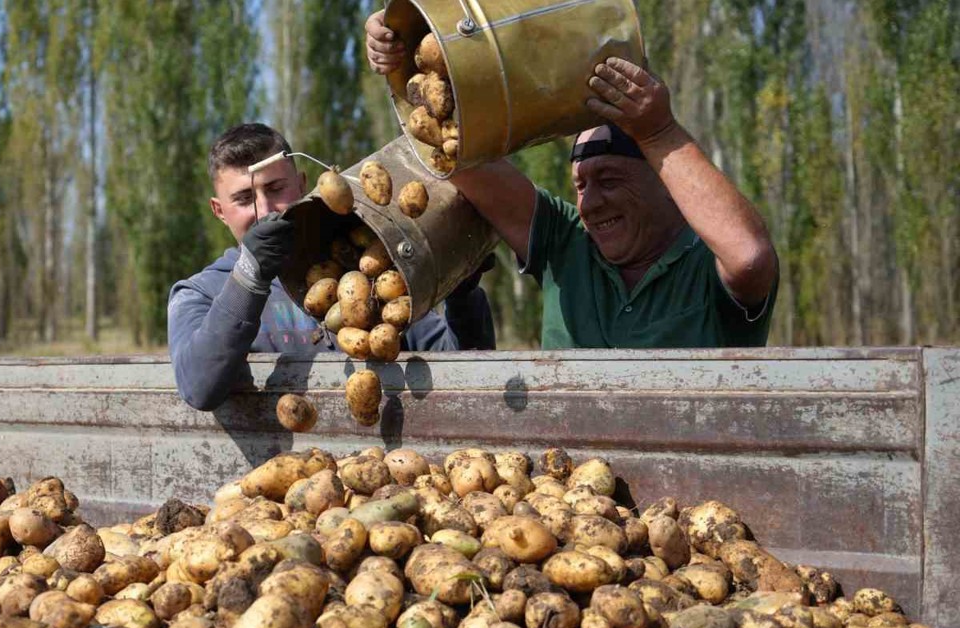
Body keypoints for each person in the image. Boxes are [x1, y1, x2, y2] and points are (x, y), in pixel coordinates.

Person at [365, 12, 779, 348]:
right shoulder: (567, 244)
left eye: (610, 179)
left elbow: (751, 258)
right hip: (569, 456)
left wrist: (658, 133)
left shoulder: (704, 266)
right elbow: (455, 153)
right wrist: (402, 54)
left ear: (666, 180)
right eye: (580, 185)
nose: (591, 202)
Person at [168, 123, 496, 410]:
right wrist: (251, 275)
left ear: (302, 184)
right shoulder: (200, 293)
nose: (265, 211)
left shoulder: (361, 267)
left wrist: (462, 293)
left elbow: (460, 367)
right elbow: (199, 389)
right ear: (219, 210)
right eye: (243, 199)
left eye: (275, 189)